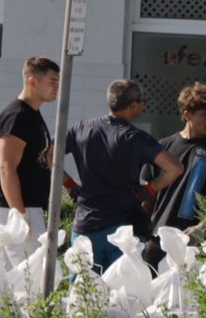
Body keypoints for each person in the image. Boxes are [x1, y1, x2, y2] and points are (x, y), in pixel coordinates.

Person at [63, 78, 182, 270]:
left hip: (86, 227)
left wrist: (69, 185)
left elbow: (48, 154)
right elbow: (174, 168)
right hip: (124, 231)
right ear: (133, 104)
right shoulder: (136, 137)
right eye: (143, 101)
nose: (144, 105)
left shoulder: (81, 129)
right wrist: (151, 189)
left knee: (82, 293)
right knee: (124, 295)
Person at [0, 55, 59, 239]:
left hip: (24, 206)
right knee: (30, 267)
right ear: (32, 81)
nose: (57, 86)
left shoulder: (32, 114)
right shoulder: (18, 116)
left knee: (17, 267)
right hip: (11, 208)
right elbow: (6, 168)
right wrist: (20, 214)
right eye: (52, 81)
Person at [150, 80, 206, 241]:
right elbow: (149, 194)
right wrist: (142, 231)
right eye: (204, 115)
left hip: (195, 242)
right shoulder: (164, 146)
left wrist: (202, 227)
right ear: (187, 114)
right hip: (158, 236)